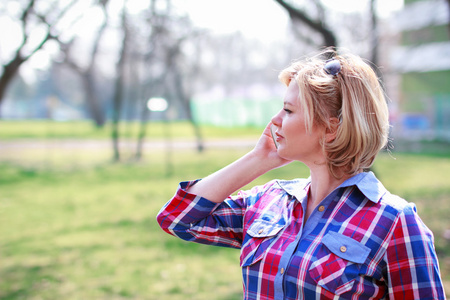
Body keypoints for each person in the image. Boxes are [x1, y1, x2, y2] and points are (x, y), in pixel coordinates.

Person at [157, 48, 446, 299]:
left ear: (331, 129)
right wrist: (259, 159)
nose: (275, 120)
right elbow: (178, 219)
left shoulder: (395, 223)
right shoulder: (269, 201)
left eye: (288, 110)